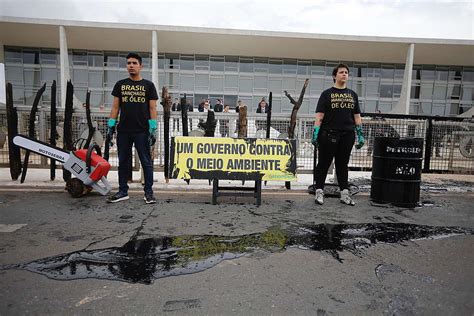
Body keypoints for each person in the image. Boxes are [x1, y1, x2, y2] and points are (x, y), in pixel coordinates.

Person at [106, 52, 159, 204]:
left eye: (134, 63)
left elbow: (153, 109)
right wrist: (111, 126)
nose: (131, 66)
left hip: (142, 130)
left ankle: (148, 193)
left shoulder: (148, 85)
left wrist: (153, 128)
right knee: (123, 161)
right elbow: (115, 107)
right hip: (123, 130)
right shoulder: (120, 85)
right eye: (129, 63)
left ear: (141, 66)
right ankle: (123, 191)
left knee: (146, 162)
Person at [312, 63, 364, 206]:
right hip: (328, 134)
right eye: (341, 72)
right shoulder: (326, 94)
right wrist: (315, 133)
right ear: (335, 76)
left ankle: (344, 194)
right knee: (323, 164)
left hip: (347, 134)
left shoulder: (352, 94)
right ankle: (319, 192)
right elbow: (319, 116)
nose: (344, 74)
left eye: (346, 72)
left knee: (342, 165)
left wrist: (360, 135)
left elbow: (357, 117)